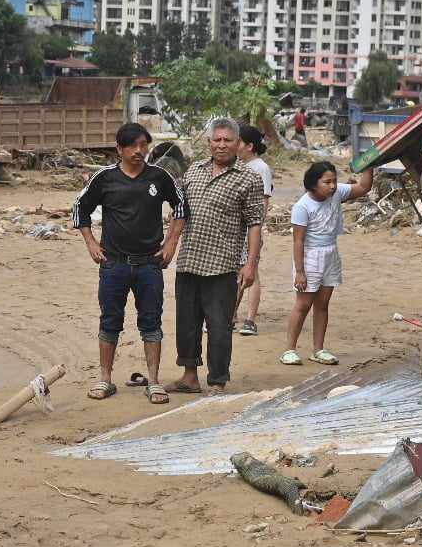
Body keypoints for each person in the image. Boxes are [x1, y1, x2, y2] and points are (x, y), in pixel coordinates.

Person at [74, 122, 185, 405]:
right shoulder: (105, 179)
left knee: (151, 322)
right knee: (110, 320)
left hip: (150, 264)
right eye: (132, 146)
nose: (139, 151)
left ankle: (155, 381)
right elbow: (80, 208)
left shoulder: (160, 177)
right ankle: (105, 379)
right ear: (119, 149)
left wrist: (171, 242)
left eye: (143, 145)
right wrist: (90, 242)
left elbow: (181, 207)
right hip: (113, 264)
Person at [171, 118, 264, 393]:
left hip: (223, 265)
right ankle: (189, 376)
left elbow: (255, 223)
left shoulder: (249, 178)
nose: (221, 145)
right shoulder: (193, 172)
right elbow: (180, 215)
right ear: (208, 142)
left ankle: (217, 382)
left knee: (219, 327)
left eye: (228, 140)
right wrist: (169, 245)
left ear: (238, 144)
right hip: (189, 260)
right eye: (217, 140)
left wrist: (250, 264)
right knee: (186, 324)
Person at [281, 160, 374, 366]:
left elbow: (364, 187)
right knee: (303, 304)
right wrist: (300, 271)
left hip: (331, 253)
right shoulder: (302, 206)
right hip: (310, 256)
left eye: (334, 181)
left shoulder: (337, 193)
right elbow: (298, 241)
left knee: (322, 304)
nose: (332, 186)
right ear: (313, 184)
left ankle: (318, 349)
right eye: (326, 182)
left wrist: (369, 164)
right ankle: (289, 349)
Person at [236, 125, 274, 336]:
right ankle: (231, 316)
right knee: (238, 274)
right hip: (238, 230)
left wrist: (255, 232)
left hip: (251, 230)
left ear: (249, 146)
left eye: (238, 142)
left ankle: (250, 319)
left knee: (252, 273)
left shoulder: (260, 168)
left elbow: (263, 201)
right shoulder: (241, 165)